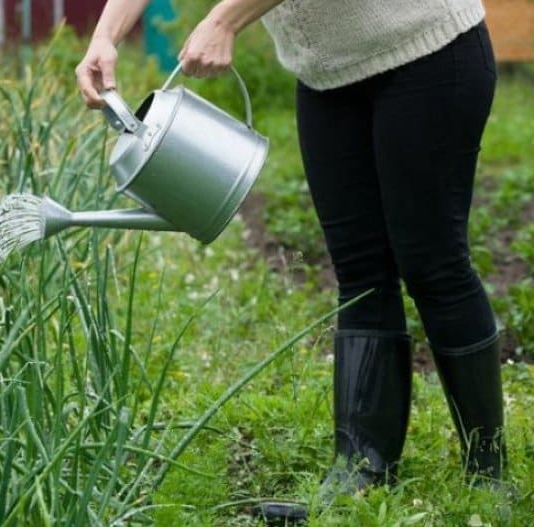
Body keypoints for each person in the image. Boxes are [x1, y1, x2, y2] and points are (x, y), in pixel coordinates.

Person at [75, 0, 509, 522]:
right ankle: (361, 467)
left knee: (432, 262)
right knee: (360, 271)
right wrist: (106, 36)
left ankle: (488, 474)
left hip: (426, 53)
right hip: (328, 78)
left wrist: (223, 20)